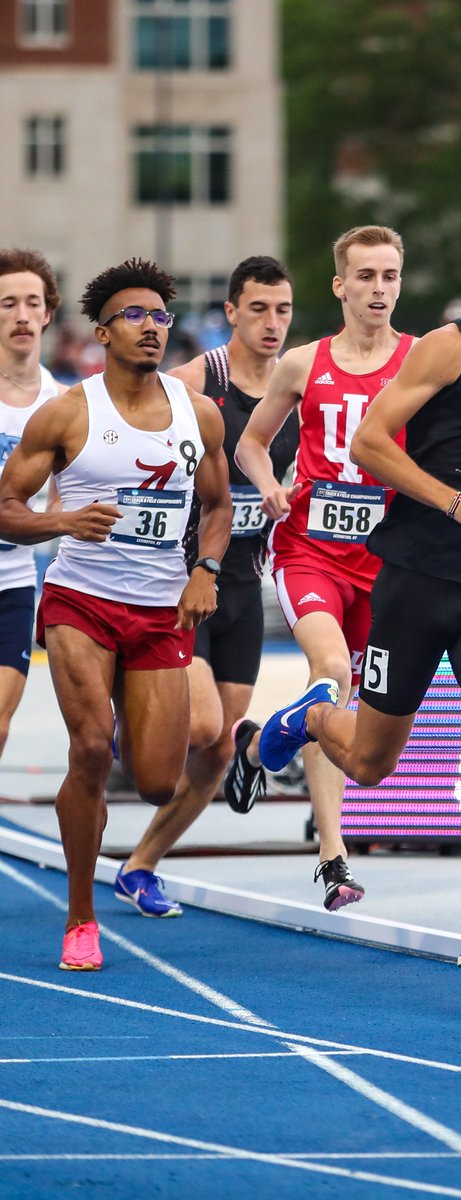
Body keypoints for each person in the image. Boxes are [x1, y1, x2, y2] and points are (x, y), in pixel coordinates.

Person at [252, 197, 461, 975]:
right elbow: (368, 443)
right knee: (369, 764)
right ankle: (314, 716)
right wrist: (452, 501)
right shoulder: (443, 349)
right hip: (416, 580)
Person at [0, 258, 231, 971]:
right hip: (81, 603)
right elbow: (6, 510)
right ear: (102, 332)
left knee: (159, 778)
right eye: (135, 315)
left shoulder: (199, 413)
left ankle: (121, 835)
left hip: (161, 607)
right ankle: (80, 916)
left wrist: (205, 569)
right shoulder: (69, 411)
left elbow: (219, 507)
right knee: (93, 747)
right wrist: (64, 522)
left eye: (162, 316)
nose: (152, 327)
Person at [227, 225, 415, 911]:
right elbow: (250, 444)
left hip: (383, 562)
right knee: (330, 674)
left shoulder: (424, 362)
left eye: (389, 276)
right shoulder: (304, 364)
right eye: (364, 276)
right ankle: (333, 858)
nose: (377, 289)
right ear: (340, 286)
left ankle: (252, 751)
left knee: (338, 708)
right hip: (308, 548)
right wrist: (269, 484)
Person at [113, 257, 297, 917]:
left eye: (282, 310)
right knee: (204, 727)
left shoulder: (296, 386)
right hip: (182, 582)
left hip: (244, 588)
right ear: (230, 312)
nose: (272, 324)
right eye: (258, 309)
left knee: (219, 749)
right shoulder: (196, 383)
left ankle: (140, 866)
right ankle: (125, 721)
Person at [0, 249, 68, 760]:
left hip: (16, 577)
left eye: (31, 303)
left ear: (48, 313)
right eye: (7, 303)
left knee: (0, 722)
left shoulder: (64, 404)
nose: (21, 315)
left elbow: (68, 498)